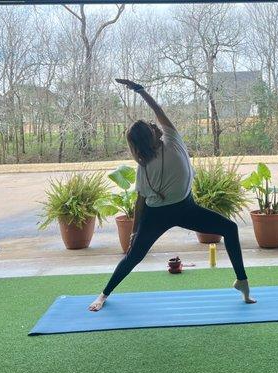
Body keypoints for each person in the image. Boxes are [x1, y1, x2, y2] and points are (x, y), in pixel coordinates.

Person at [89, 79, 256, 311]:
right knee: (133, 256)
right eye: (150, 126)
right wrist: (135, 231)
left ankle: (242, 282)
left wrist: (140, 90)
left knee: (230, 228)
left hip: (186, 208)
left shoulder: (172, 141)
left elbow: (158, 111)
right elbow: (140, 201)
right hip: (156, 214)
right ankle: (103, 294)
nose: (154, 124)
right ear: (148, 137)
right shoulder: (145, 167)